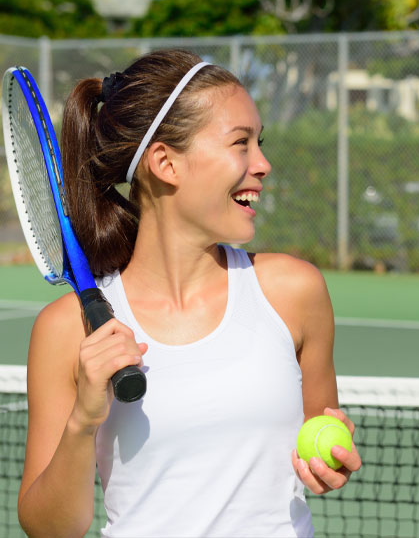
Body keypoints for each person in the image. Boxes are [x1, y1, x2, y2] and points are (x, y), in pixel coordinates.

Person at [17, 49, 361, 537]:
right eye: (240, 143)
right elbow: (49, 530)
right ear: (166, 163)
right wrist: (82, 423)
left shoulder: (294, 292)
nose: (263, 164)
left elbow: (321, 437)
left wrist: (332, 462)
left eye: (258, 143)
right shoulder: (64, 330)